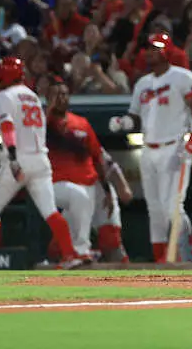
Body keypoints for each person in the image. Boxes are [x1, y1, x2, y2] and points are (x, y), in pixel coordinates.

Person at [0, 57, 88, 270]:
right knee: (50, 211)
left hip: (18, 158)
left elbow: (8, 127)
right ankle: (70, 254)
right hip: (40, 159)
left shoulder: (4, 95)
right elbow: (28, 125)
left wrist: (13, 156)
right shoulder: (33, 97)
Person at [109, 32, 192, 262]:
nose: (151, 52)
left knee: (172, 205)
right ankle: (161, 257)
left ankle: (188, 254)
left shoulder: (183, 77)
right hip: (148, 148)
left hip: (174, 146)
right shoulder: (142, 83)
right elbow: (135, 117)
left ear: (167, 51)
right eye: (149, 48)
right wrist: (123, 123)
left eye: (156, 48)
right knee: (154, 208)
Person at [47, 77, 130, 263]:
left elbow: (98, 157)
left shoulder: (81, 123)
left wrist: (107, 190)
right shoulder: (42, 123)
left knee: (111, 241)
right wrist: (48, 110)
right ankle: (80, 254)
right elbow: (33, 136)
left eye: (64, 94)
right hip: (62, 188)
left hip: (92, 185)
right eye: (56, 95)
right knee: (57, 249)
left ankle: (123, 276)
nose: (61, 98)